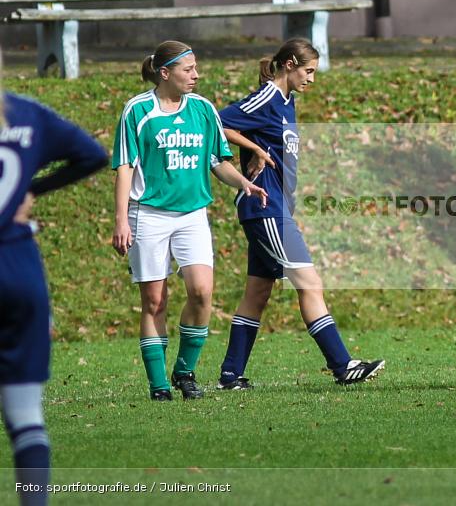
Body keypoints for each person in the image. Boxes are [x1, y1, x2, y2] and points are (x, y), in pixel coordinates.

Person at [215, 38, 384, 389]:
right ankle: (342, 365)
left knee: (257, 293)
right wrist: (252, 149)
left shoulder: (287, 103)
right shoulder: (267, 97)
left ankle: (231, 376)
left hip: (275, 209)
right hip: (266, 208)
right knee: (310, 283)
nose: (311, 79)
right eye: (308, 71)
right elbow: (214, 122)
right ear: (289, 64)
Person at [111, 40, 267, 401]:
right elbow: (124, 167)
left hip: (192, 215)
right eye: (188, 69)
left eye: (196, 68)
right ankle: (158, 385)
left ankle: (184, 371)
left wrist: (243, 182)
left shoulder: (203, 109)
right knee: (155, 301)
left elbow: (217, 161)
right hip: (147, 214)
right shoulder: (137, 110)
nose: (195, 75)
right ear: (165, 73)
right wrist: (121, 220)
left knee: (201, 292)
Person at [0, 49, 108, 505]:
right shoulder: (26, 114)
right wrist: (32, 188)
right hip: (20, 270)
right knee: (26, 417)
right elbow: (93, 156)